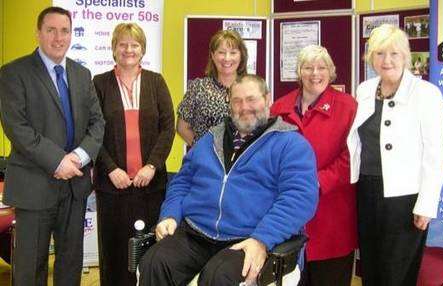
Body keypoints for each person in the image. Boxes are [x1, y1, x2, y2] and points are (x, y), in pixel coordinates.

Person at [138, 75, 319, 286]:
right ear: (229, 103)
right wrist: (170, 214)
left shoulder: (291, 144)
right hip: (196, 232)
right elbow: (182, 182)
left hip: (247, 237)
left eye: (251, 99)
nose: (244, 107)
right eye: (237, 101)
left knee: (218, 277)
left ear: (267, 99)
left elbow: (299, 198)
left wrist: (262, 240)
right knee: (154, 263)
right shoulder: (209, 139)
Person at [0, 6, 105, 286]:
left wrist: (78, 158)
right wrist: (58, 162)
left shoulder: (82, 74)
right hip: (34, 186)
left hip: (75, 186)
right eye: (51, 30)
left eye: (65, 30)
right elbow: (17, 128)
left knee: (70, 264)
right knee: (29, 267)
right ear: (38, 34)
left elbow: (97, 123)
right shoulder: (13, 73)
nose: (59, 37)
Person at [347, 24, 443, 286]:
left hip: (405, 199)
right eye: (379, 54)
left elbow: (436, 154)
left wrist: (425, 206)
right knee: (371, 267)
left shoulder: (426, 94)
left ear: (406, 56)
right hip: (367, 191)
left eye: (394, 53)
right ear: (371, 58)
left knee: (396, 274)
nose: (387, 60)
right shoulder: (365, 89)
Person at [93, 23, 175, 286]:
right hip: (112, 186)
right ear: (114, 48)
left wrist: (151, 166)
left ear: (143, 49)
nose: (129, 49)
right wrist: (110, 169)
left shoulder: (155, 81)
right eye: (123, 44)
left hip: (150, 185)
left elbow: (168, 128)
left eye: (135, 44)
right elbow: (92, 131)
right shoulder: (99, 83)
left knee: (150, 249)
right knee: (114, 250)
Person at [271, 45, 357, 286]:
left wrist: (318, 181)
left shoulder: (348, 107)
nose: (315, 73)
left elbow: (353, 156)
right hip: (289, 217)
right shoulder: (279, 108)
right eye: (308, 67)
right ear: (299, 72)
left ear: (331, 72)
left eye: (321, 67)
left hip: (332, 216)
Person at [177, 30, 248, 146]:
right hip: (206, 161)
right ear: (213, 55)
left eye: (233, 52)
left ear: (241, 56)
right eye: (221, 52)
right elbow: (182, 127)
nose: (227, 58)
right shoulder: (198, 88)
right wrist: (203, 151)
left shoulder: (251, 89)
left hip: (244, 160)